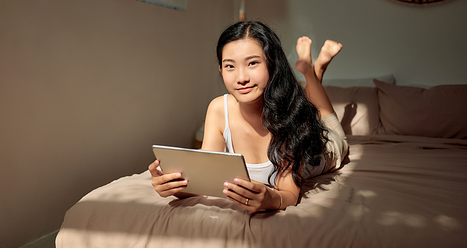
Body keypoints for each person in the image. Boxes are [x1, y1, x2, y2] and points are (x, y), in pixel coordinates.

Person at [149, 21, 348, 213]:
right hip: (301, 116)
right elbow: (206, 181)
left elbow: (288, 194)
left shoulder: (292, 116)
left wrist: (270, 198)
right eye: (230, 66)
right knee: (307, 104)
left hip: (326, 146)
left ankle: (310, 70)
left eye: (252, 63)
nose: (241, 78)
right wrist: (174, 186)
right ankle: (313, 68)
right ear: (220, 69)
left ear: (272, 64)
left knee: (321, 114)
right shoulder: (219, 109)